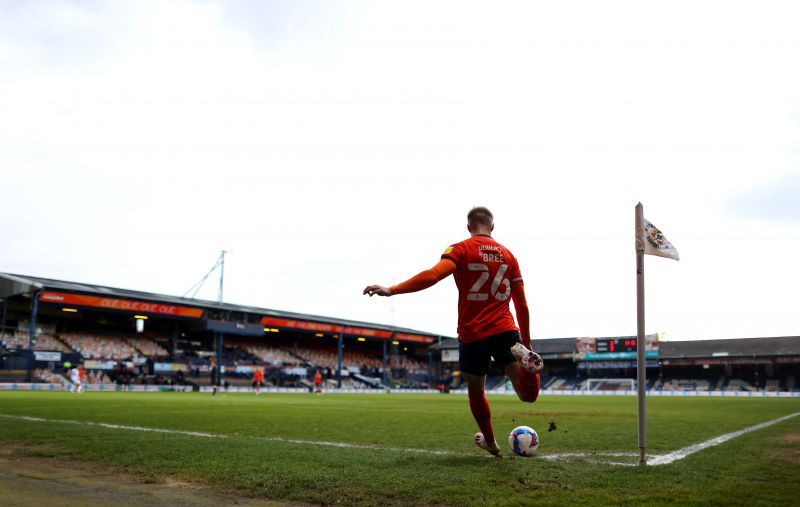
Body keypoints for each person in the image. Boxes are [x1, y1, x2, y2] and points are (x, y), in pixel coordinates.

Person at [364, 206, 543, 456]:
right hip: (505, 330)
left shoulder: (461, 248)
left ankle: (490, 442)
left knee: (476, 391)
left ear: (469, 227)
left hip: (473, 334)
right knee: (527, 395)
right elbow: (521, 304)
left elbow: (434, 275)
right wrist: (527, 342)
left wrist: (392, 290)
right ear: (492, 226)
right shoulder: (509, 256)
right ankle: (529, 365)